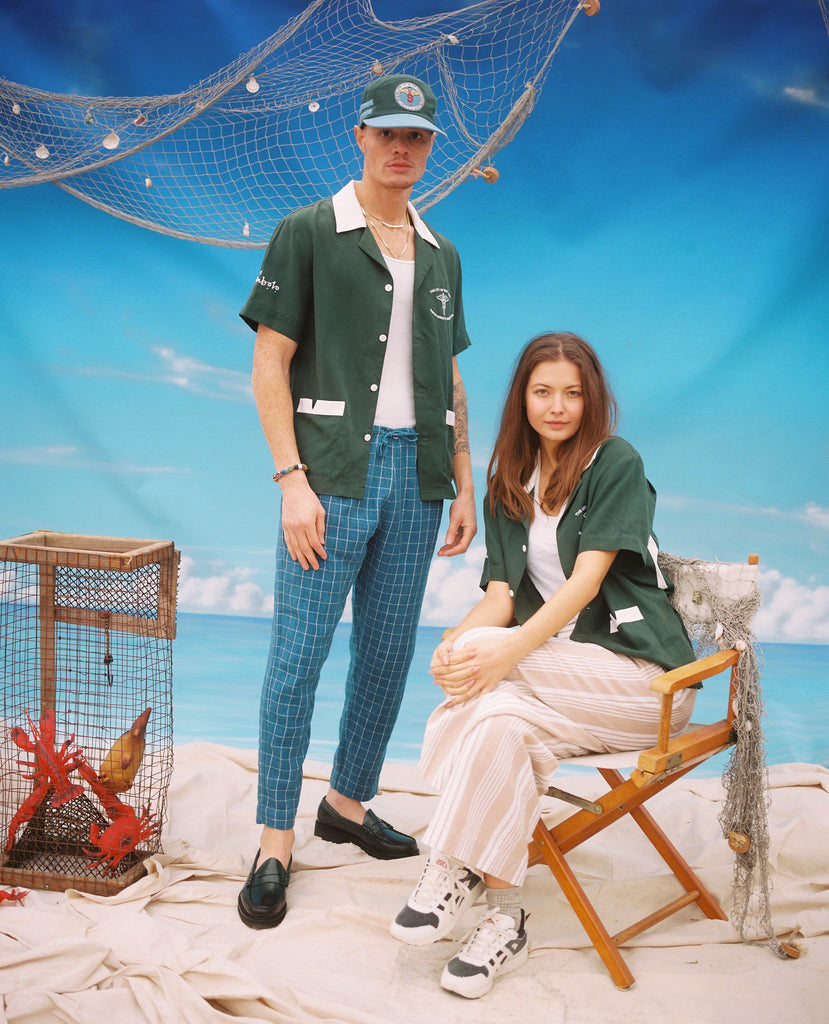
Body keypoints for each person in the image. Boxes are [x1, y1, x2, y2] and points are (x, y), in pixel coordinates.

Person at [236, 74, 476, 930]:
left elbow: (447, 370)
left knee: (382, 657)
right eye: (387, 134)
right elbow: (269, 365)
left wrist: (462, 477)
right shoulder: (308, 232)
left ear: (429, 146)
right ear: (360, 135)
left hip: (419, 481)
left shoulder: (441, 252)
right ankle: (273, 840)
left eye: (416, 137)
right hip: (329, 475)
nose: (401, 148)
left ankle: (344, 802)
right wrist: (289, 481)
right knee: (297, 660)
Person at [390, 332, 696, 998]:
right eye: (542, 391)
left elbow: (583, 586)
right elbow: (498, 599)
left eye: (572, 392)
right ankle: (506, 923)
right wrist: (451, 645)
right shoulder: (509, 472)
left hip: (646, 685)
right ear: (521, 398)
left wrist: (489, 653)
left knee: (484, 665)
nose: (557, 406)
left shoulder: (613, 463)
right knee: (497, 721)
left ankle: (451, 857)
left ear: (591, 399)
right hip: (561, 687)